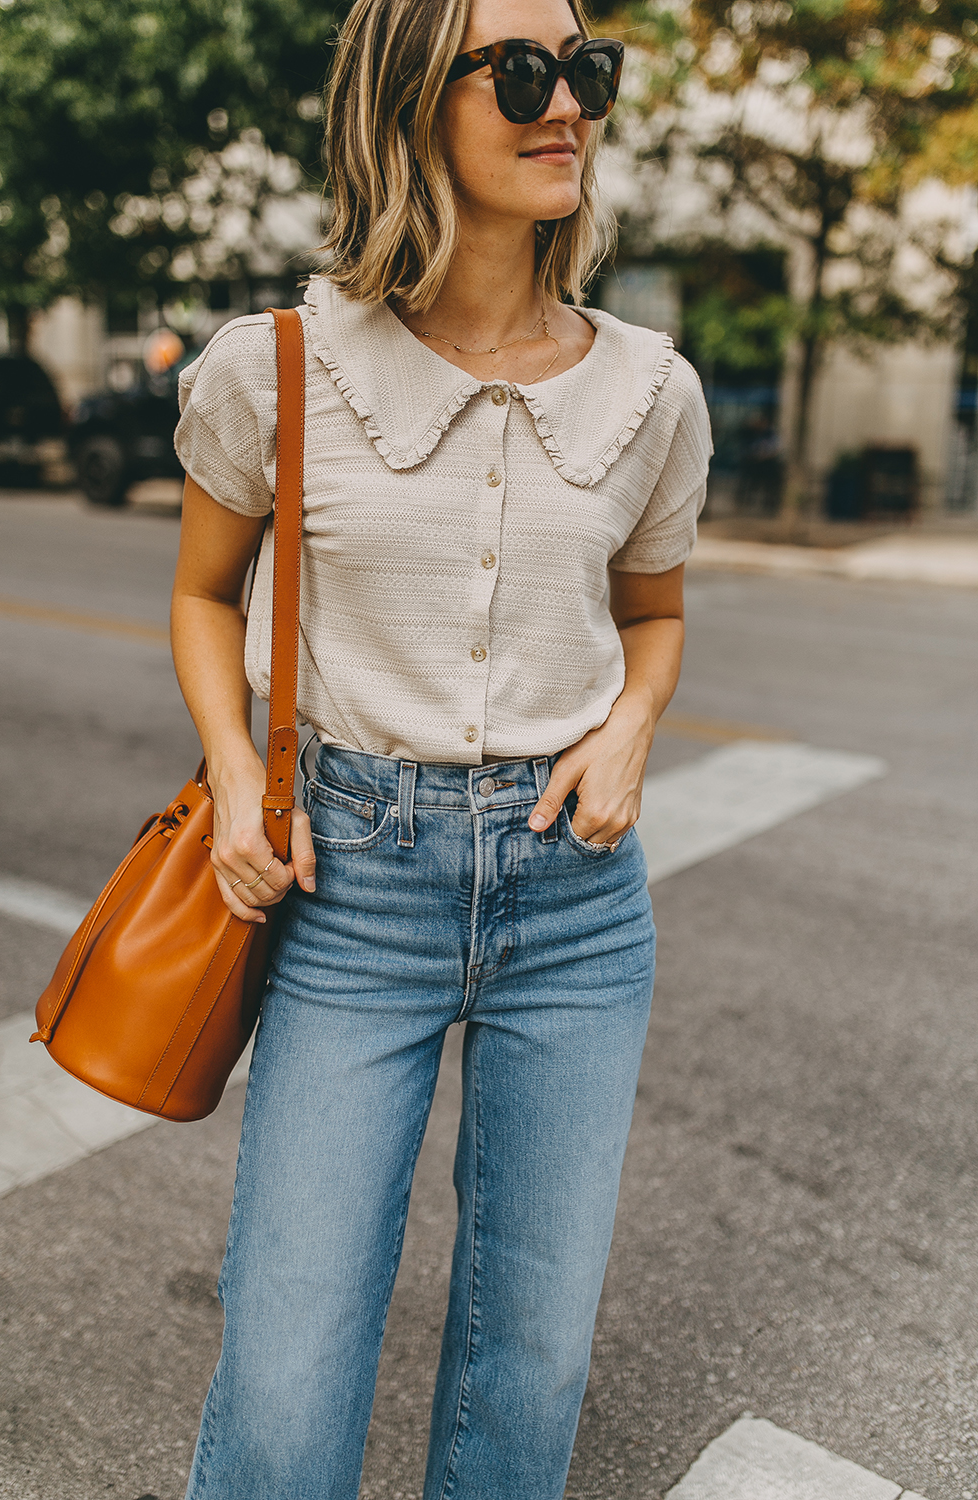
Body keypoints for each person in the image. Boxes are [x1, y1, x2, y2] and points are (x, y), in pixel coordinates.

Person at [170, 0, 712, 1494]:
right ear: (410, 98)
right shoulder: (276, 364)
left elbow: (652, 619)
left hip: (577, 907)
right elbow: (206, 595)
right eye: (524, 72)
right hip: (353, 889)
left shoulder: (652, 391)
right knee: (286, 1377)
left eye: (587, 72)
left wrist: (633, 728)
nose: (567, 107)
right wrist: (234, 782)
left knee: (525, 1372)